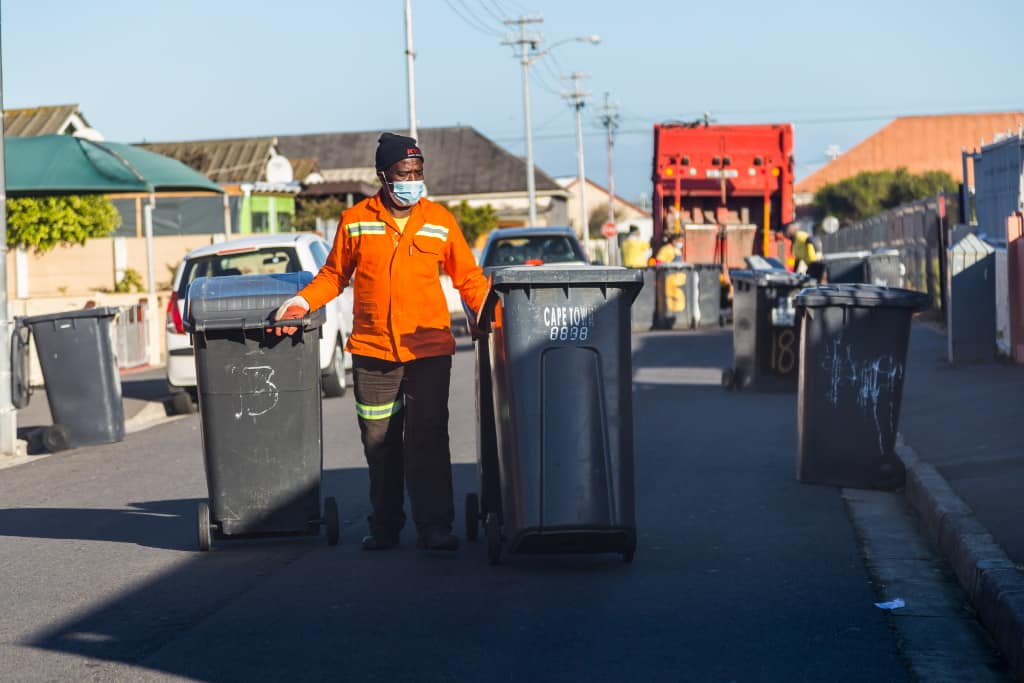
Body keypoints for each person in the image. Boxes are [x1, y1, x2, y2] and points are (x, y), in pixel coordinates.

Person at [271, 133, 489, 552]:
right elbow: (334, 276)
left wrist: (485, 310)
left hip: (428, 349)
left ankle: (435, 527)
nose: (412, 180)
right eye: (403, 173)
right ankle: (385, 525)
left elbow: (468, 277)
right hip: (372, 352)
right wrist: (300, 302)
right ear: (383, 177)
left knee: (427, 438)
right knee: (379, 442)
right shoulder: (355, 220)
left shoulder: (440, 221)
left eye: (418, 172)